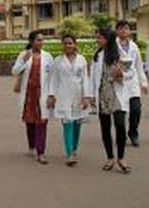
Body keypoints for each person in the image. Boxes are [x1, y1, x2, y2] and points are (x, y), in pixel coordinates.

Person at [91, 28, 134, 174]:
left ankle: (121, 157)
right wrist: (91, 96)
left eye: (100, 38)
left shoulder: (119, 54)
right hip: (103, 95)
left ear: (108, 39)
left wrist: (121, 74)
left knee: (120, 126)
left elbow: (131, 73)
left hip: (117, 94)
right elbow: (92, 78)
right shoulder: (97, 56)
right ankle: (110, 157)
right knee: (105, 128)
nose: (98, 41)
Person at [47, 34, 91, 166]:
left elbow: (85, 79)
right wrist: (51, 95)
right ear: (62, 45)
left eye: (70, 43)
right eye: (65, 43)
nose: (68, 46)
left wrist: (86, 97)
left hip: (78, 96)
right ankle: (69, 153)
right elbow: (53, 80)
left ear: (75, 44)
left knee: (77, 124)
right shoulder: (58, 61)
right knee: (67, 123)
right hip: (63, 96)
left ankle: (74, 149)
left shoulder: (82, 60)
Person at [12, 30, 53, 164]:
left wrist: (52, 95)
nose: (41, 43)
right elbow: (15, 71)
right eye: (38, 40)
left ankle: (41, 152)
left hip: (43, 93)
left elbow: (52, 77)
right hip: (29, 94)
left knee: (42, 121)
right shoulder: (24, 54)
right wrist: (23, 61)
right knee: (30, 121)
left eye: (42, 40)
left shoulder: (47, 56)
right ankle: (32, 145)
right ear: (31, 41)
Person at [116, 20, 147, 147]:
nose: (124, 30)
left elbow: (139, 65)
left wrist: (143, 82)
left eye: (126, 28)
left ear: (129, 31)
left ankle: (133, 133)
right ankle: (121, 136)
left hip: (132, 82)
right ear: (117, 31)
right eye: (121, 28)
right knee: (120, 114)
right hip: (119, 82)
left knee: (136, 110)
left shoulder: (134, 47)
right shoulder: (113, 45)